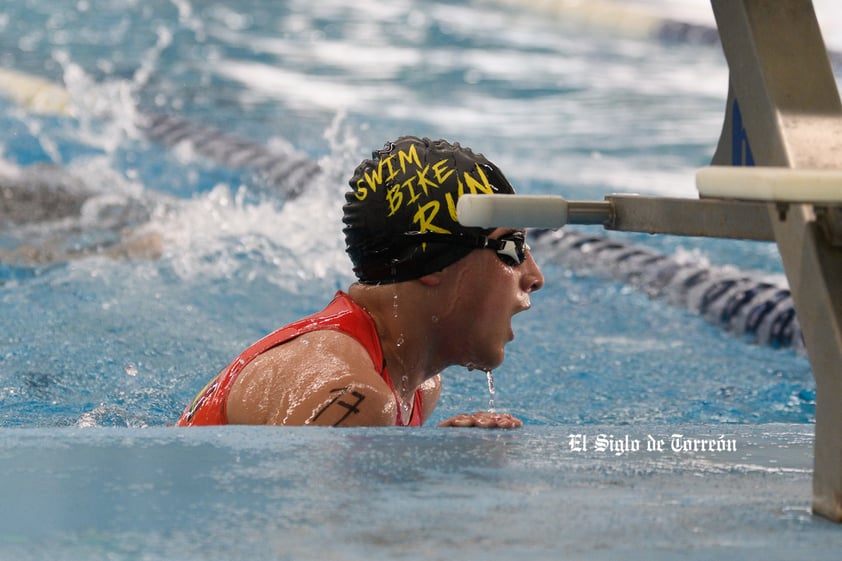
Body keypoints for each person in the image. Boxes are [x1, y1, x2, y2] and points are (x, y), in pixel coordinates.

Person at [176, 136, 544, 428]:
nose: (534, 276)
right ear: (431, 261)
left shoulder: (417, 388)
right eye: (511, 248)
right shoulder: (352, 393)